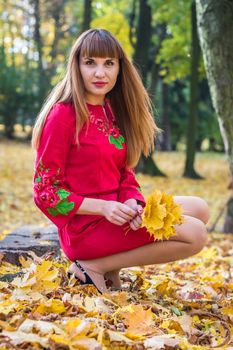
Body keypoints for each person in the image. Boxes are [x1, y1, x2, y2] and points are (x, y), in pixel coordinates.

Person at [31, 28, 210, 293]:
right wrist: (103, 208)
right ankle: (95, 266)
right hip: (85, 229)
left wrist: (133, 202)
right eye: (90, 63)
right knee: (195, 235)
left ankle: (107, 266)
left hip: (118, 215)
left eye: (108, 64)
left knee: (200, 208)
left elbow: (125, 173)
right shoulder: (63, 116)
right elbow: (45, 192)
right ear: (76, 66)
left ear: (119, 68)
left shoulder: (111, 111)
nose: (100, 73)